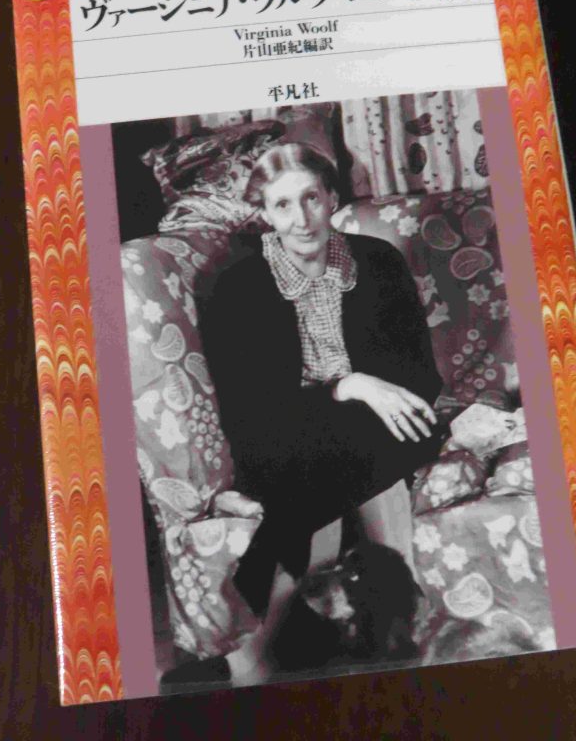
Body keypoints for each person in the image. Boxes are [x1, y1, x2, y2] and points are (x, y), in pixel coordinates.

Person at [163, 143, 447, 686]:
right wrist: (349, 385)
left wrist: (368, 394)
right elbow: (253, 411)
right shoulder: (239, 287)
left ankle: (259, 652)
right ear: (265, 214)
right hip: (289, 433)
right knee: (327, 448)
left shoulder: (379, 263)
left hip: (386, 428)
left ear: (332, 199)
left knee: (344, 446)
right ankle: (391, 624)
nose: (301, 218)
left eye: (311, 198)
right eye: (283, 204)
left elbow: (418, 376)